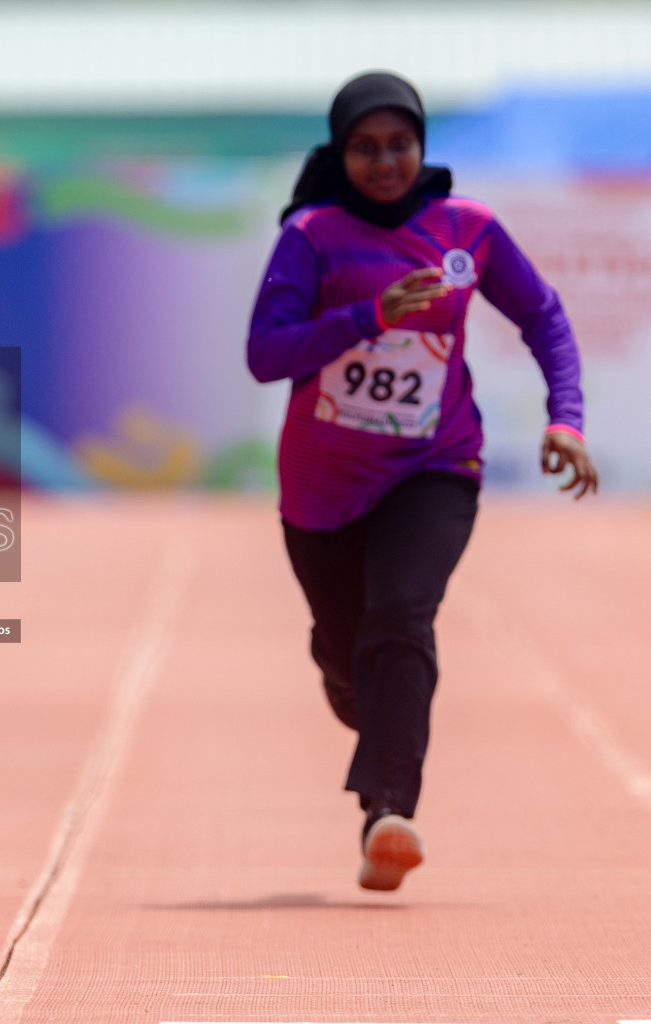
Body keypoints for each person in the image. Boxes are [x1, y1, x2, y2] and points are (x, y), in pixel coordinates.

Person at [246, 72, 597, 892]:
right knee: (354, 662)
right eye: (364, 148)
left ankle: (386, 816)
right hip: (321, 489)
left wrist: (565, 418)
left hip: (432, 463)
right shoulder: (311, 235)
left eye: (398, 144)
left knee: (402, 616)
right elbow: (265, 356)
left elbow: (543, 315)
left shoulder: (467, 230)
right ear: (340, 153)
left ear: (422, 146)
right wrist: (370, 316)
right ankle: (341, 669)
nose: (383, 161)